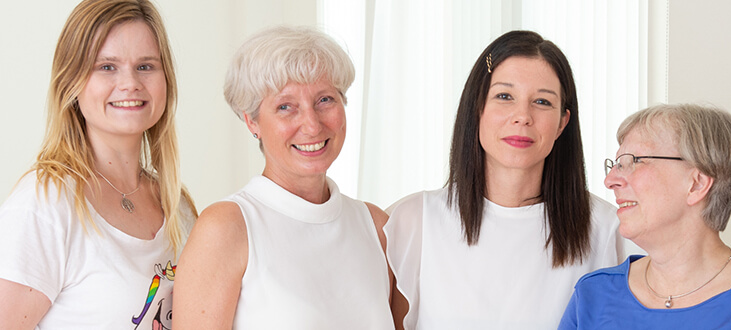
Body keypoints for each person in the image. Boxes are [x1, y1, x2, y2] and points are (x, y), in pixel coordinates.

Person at [384, 30, 622, 329]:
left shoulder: (606, 228)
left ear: (563, 122)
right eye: (504, 96)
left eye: (543, 102)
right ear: (477, 108)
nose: (522, 116)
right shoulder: (413, 221)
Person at [171, 26, 394, 329]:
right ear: (252, 121)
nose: (312, 126)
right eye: (285, 106)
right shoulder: (226, 228)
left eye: (325, 100)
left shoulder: (377, 227)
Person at [0, 0, 196, 328]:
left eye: (146, 66)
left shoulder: (179, 207)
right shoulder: (44, 205)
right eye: (107, 67)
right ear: (72, 83)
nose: (130, 82)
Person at [559, 104, 731, 329]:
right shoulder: (593, 294)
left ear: (696, 184)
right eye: (615, 164)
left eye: (632, 161)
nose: (610, 180)